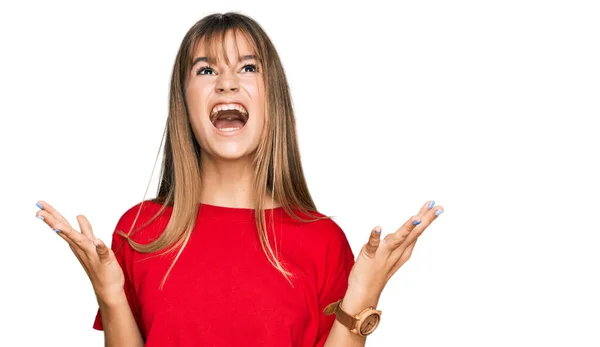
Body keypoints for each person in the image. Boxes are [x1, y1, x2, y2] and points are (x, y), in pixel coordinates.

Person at [34, 12, 444, 347]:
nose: (227, 82)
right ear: (185, 101)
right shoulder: (140, 232)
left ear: (272, 97)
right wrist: (110, 295)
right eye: (206, 70)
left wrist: (364, 293)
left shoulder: (323, 240)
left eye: (247, 67)